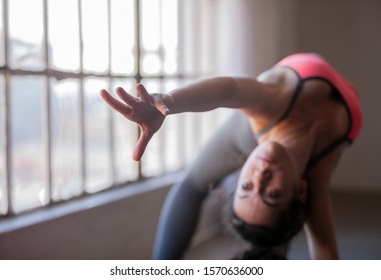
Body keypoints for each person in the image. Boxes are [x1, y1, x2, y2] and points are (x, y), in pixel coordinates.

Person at [100, 53, 363, 259]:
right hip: (271, 133)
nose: (260, 176)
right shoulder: (312, 174)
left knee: (263, 221)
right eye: (271, 193)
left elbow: (229, 90)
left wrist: (166, 104)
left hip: (268, 137)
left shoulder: (271, 117)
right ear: (302, 190)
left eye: (246, 187)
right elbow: (325, 250)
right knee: (268, 222)